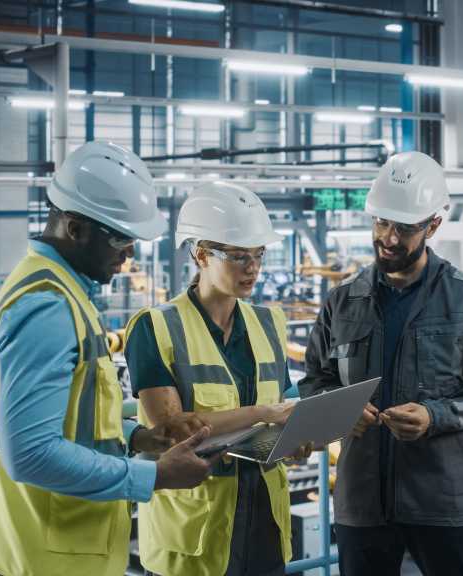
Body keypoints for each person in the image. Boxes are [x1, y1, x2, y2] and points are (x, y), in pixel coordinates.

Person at [0, 142, 217, 576]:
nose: (129, 253)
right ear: (74, 228)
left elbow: (74, 418)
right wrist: (154, 476)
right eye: (120, 237)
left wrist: (138, 437)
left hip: (55, 545)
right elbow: (32, 454)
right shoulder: (48, 305)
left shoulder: (60, 291)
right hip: (53, 551)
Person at [299, 151, 463, 576]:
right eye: (381, 222)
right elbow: (314, 381)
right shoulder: (343, 301)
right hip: (362, 500)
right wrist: (339, 411)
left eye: (405, 227)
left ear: (433, 225)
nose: (389, 237)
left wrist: (434, 416)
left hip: (441, 497)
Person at [125, 182, 304, 576]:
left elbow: (288, 404)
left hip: (264, 524)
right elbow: (170, 430)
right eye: (239, 256)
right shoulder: (154, 328)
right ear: (201, 254)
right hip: (194, 531)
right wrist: (264, 413)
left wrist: (295, 439)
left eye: (258, 254)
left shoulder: (269, 323)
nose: (253, 267)